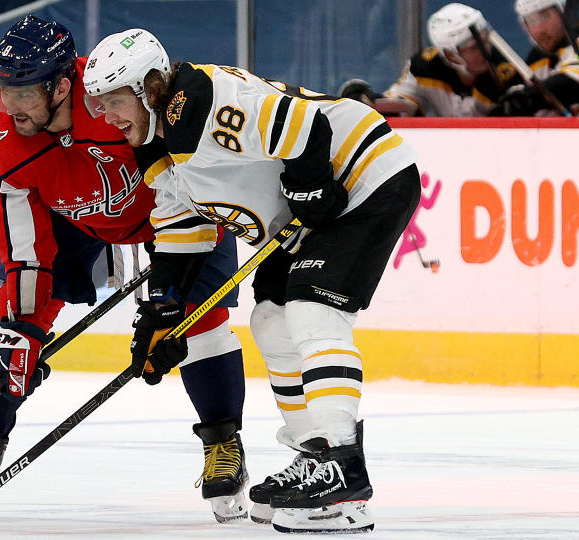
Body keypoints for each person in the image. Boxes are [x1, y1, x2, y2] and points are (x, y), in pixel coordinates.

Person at [83, 28, 420, 534]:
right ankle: (315, 456)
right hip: (317, 209)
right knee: (270, 319)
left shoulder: (208, 106)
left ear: (149, 87)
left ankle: (344, 473)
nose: (106, 116)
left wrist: (310, 192)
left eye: (113, 101)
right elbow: (184, 224)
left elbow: (304, 127)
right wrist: (166, 305)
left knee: (313, 311)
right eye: (99, 104)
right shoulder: (158, 141)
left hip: (368, 176)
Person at [0, 16, 252, 523]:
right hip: (75, 224)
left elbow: (188, 166)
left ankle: (223, 444)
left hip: (178, 208)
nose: (7, 108)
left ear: (62, 85)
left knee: (198, 320)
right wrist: (23, 324)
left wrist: (170, 300)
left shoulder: (114, 95)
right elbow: (23, 245)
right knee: (12, 322)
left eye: (21, 94)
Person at [342, 3, 521, 117]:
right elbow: (401, 107)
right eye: (475, 47)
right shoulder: (424, 67)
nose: (486, 50)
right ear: (452, 56)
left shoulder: (508, 69)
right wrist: (368, 102)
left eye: (485, 40)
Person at [492, 0, 579, 115]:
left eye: (544, 17)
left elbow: (568, 85)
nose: (539, 30)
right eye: (531, 21)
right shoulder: (537, 58)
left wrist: (528, 96)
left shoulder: (576, 44)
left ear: (564, 12)